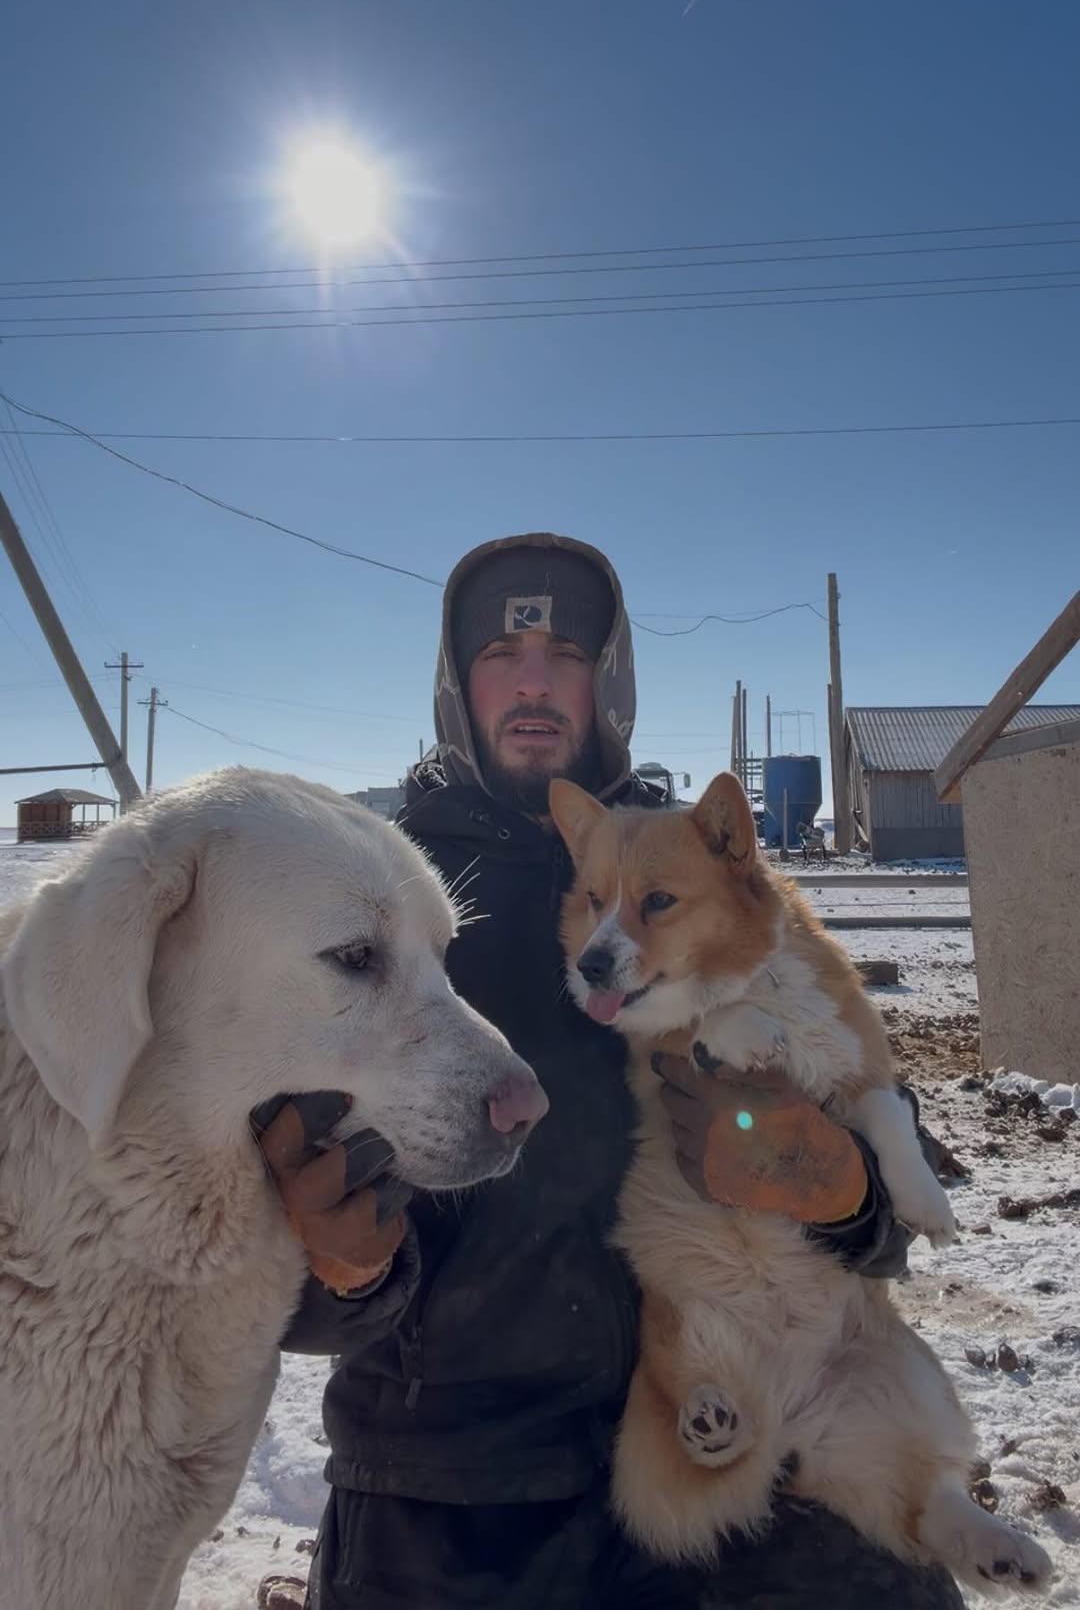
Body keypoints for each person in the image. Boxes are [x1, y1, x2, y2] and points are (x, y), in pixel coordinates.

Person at [262, 534, 962, 1610]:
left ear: (612, 683)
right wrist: (343, 1273)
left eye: (567, 654)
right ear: (457, 686)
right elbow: (280, 1225)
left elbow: (865, 1095)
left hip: (744, 1414)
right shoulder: (381, 899)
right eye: (500, 653)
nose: (534, 681)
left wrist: (845, 1191)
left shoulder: (698, 858)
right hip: (454, 1476)